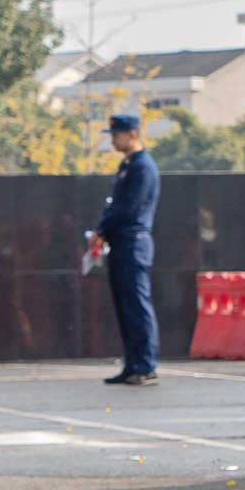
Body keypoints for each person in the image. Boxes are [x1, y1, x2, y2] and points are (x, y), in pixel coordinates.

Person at [93, 113, 162, 386]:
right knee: (124, 306)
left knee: (136, 304)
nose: (113, 140)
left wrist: (103, 229)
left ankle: (146, 365)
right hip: (121, 241)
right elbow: (114, 205)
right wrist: (102, 229)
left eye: (117, 135)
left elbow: (128, 208)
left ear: (132, 134)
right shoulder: (129, 165)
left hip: (134, 241)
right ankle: (132, 363)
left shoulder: (142, 167)